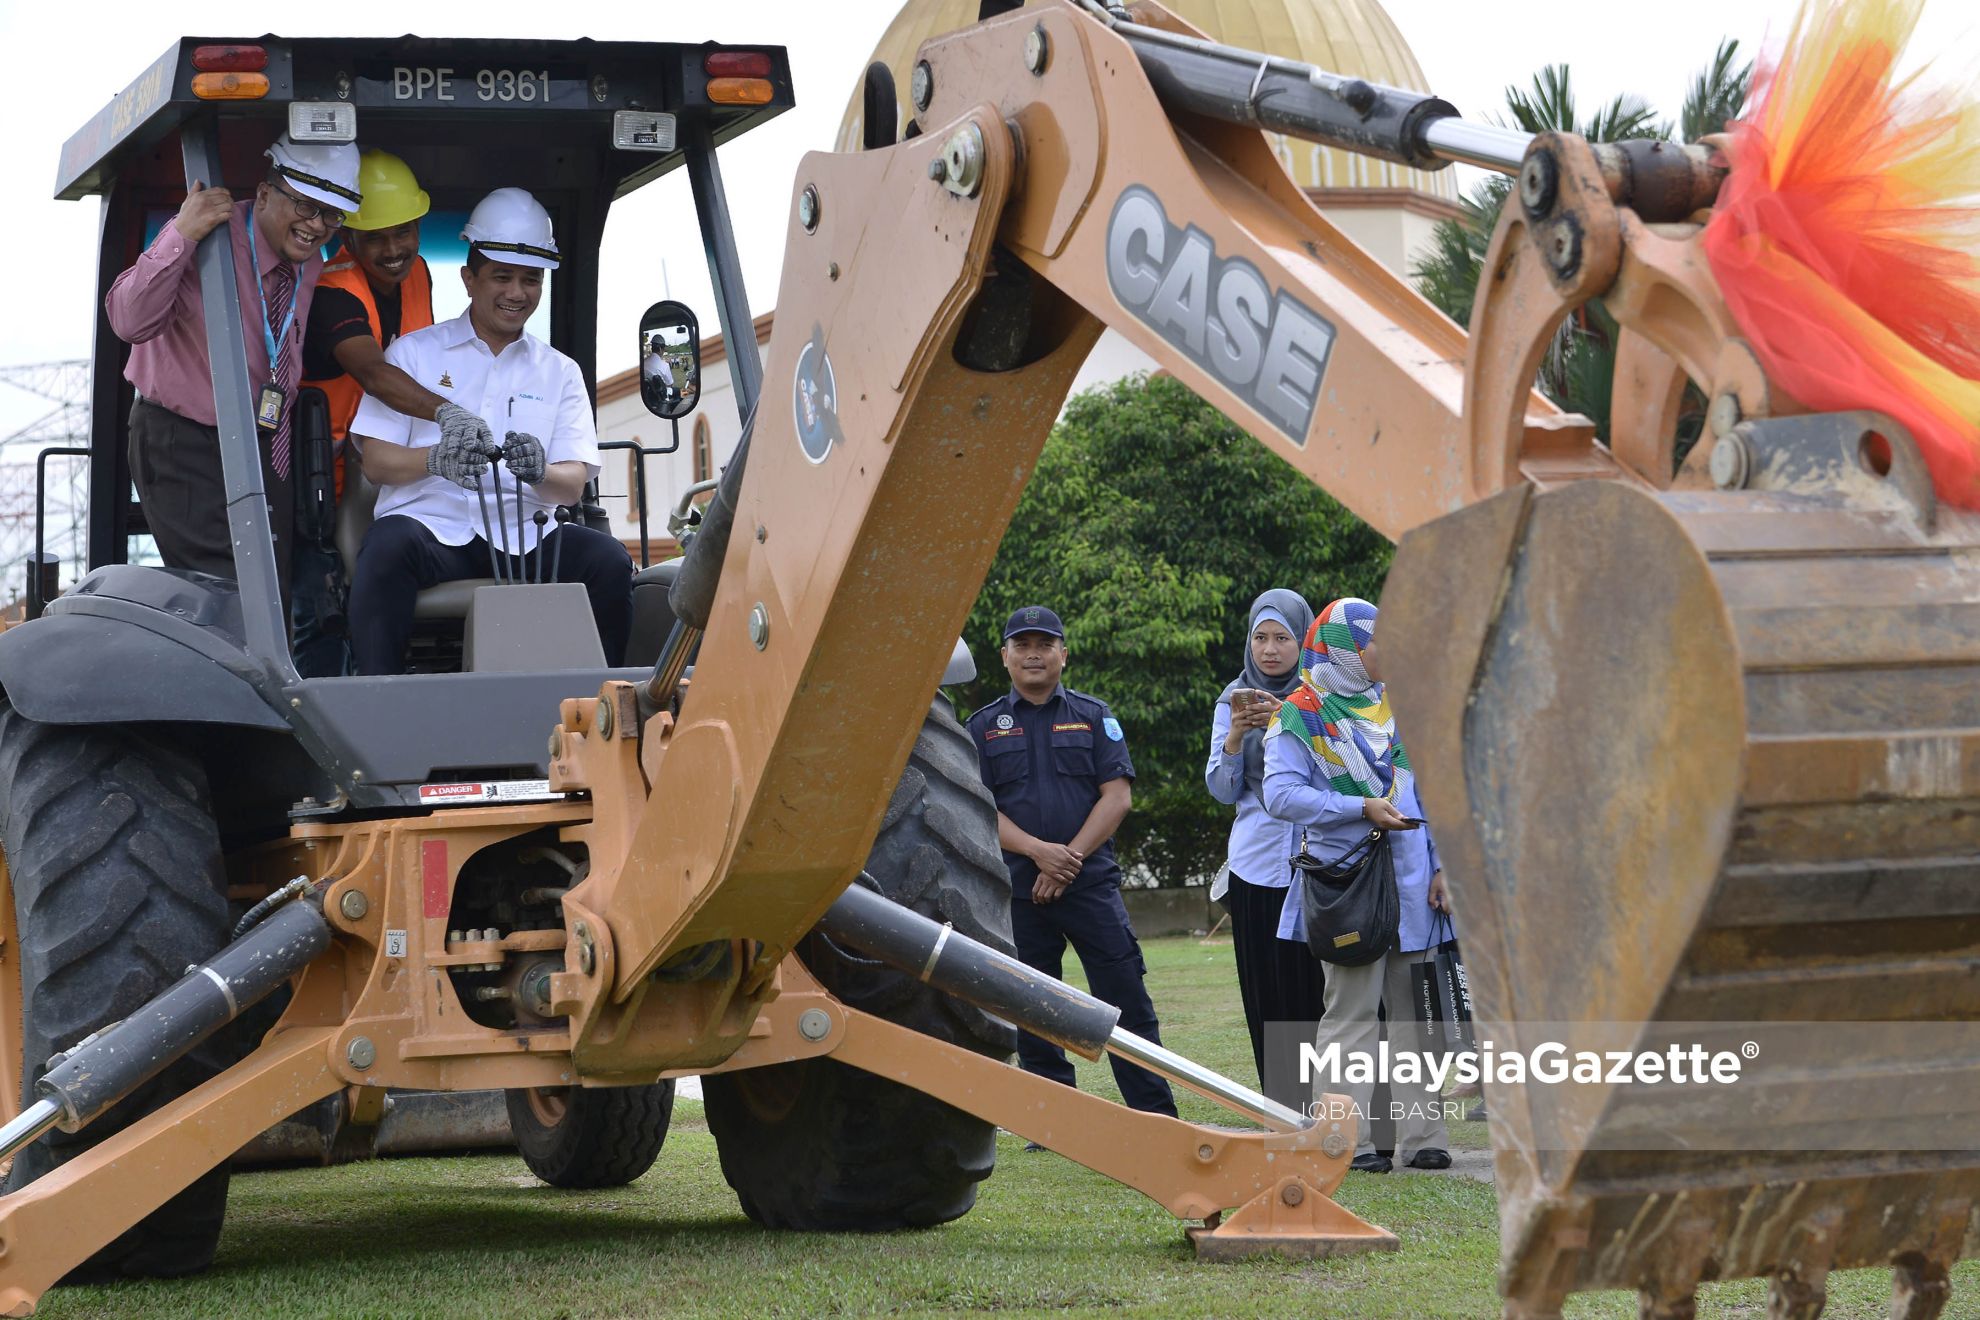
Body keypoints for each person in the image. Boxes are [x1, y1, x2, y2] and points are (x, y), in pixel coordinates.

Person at [345, 188, 633, 674]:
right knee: (386, 548)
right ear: (469, 279)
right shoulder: (413, 356)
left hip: (527, 536)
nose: (516, 293)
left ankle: (603, 713)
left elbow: (572, 484)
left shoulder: (560, 371)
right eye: (502, 276)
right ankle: (380, 701)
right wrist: (435, 461)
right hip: (432, 533)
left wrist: (540, 471)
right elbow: (377, 462)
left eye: (530, 280)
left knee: (608, 559)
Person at [106, 135, 361, 587]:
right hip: (185, 441)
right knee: (226, 592)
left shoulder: (308, 260)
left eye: (332, 214)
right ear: (265, 193)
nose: (317, 225)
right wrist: (181, 232)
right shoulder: (205, 240)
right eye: (306, 205)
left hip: (266, 440)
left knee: (274, 587)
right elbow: (128, 321)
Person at [1264, 597, 1452, 1173]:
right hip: (1348, 885)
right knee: (1349, 1014)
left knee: (1413, 1012)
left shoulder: (1405, 706)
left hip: (1415, 881)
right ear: (1346, 647)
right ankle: (1350, 1140)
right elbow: (1279, 796)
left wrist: (1443, 865)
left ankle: (1423, 1137)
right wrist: (1358, 807)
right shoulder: (1301, 712)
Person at [967, 606, 1177, 1120]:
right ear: (1005, 657)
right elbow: (977, 808)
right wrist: (1040, 854)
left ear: (1064, 653)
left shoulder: (1093, 715)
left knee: (1126, 1000)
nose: (1033, 654)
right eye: (1022, 645)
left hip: (1090, 885)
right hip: (1018, 888)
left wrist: (1068, 860)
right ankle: (1051, 1119)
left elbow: (1117, 798)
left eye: (1045, 644)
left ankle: (1153, 1113)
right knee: (1032, 1007)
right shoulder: (982, 726)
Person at [296, 150, 490, 676]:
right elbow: (377, 374)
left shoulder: (420, 273)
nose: (393, 249)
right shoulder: (333, 290)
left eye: (403, 232)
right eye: (376, 237)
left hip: (402, 472)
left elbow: (427, 360)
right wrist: (452, 415)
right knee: (319, 618)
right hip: (326, 480)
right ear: (350, 238)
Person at [1205, 589, 1320, 1109]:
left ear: (1303, 641)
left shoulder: (1322, 698)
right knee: (1265, 990)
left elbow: (1339, 775)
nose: (1269, 650)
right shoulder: (1232, 698)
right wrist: (1233, 738)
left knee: (1317, 988)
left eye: (1282, 638)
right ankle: (1284, 1107)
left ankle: (1335, 1103)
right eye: (1260, 638)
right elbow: (1222, 789)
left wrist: (1287, 721)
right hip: (1255, 865)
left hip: (1317, 864)